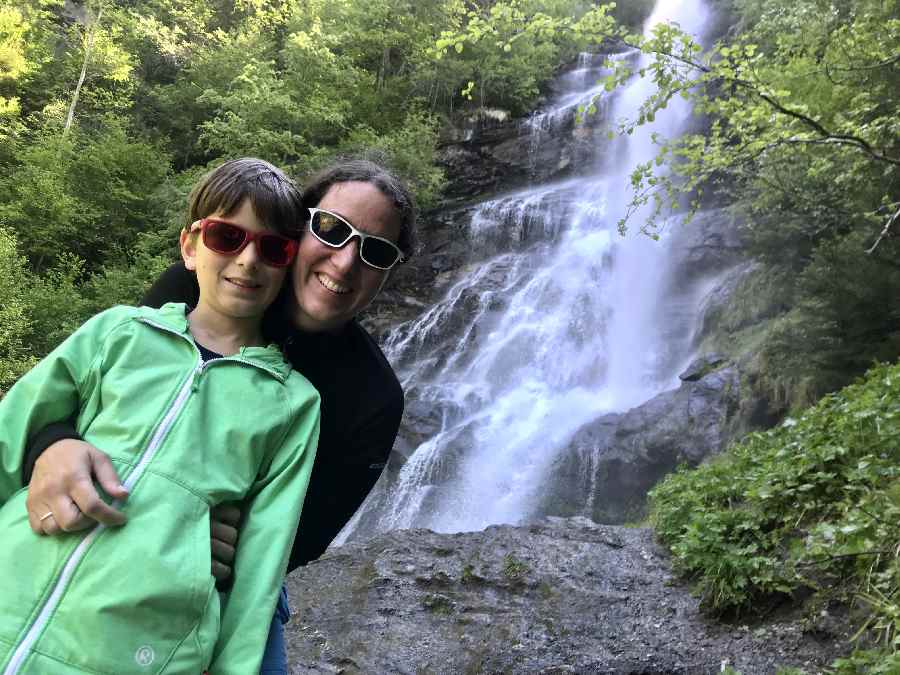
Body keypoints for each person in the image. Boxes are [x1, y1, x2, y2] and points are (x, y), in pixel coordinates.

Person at [21, 158, 415, 674]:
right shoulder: (205, 287)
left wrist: (205, 548)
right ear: (299, 228)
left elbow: (298, 539)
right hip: (116, 505)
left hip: (233, 571)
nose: (344, 263)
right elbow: (115, 402)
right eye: (331, 230)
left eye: (376, 251)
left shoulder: (372, 397)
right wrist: (51, 443)